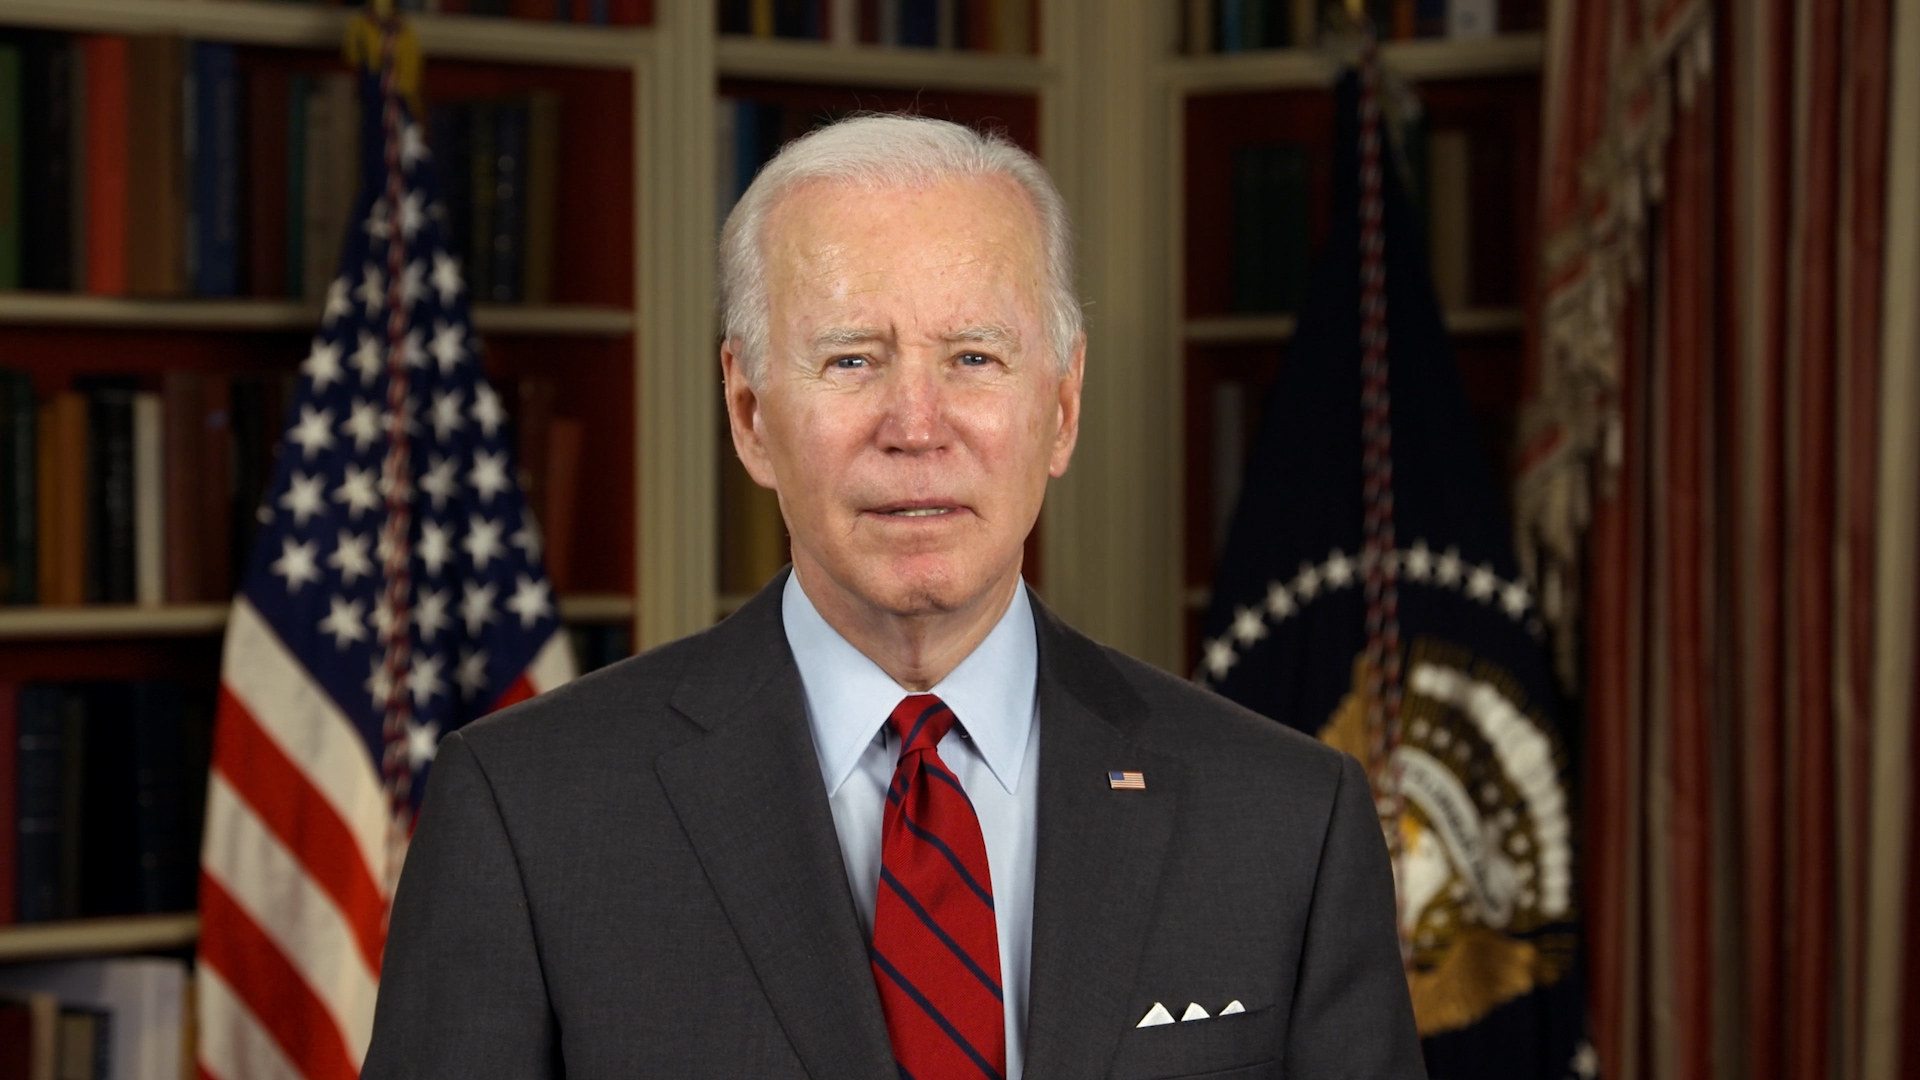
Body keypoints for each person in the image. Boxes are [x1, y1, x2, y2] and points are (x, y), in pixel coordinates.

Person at [362, 114, 1423, 1080]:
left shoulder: (1287, 822)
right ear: (748, 412)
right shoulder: (528, 816)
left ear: (1060, 409)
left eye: (974, 357)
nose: (917, 425)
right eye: (853, 360)